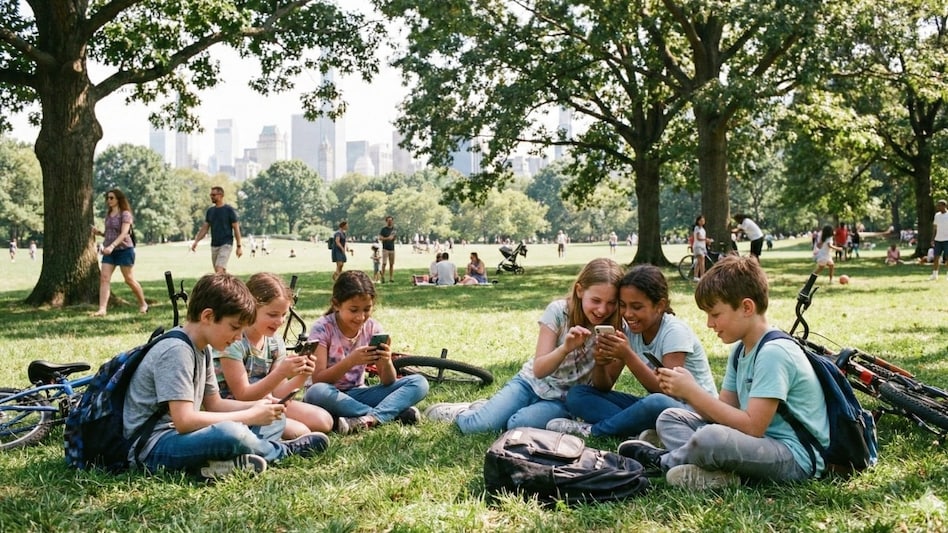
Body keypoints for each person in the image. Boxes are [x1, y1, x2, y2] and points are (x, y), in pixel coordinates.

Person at [616, 256, 829, 490]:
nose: (709, 323)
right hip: (756, 445)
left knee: (713, 438)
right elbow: (721, 410)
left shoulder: (774, 353)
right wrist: (685, 393)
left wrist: (693, 392)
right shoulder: (741, 349)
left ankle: (662, 460)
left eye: (715, 314)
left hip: (795, 457)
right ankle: (719, 473)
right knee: (670, 417)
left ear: (747, 307)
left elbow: (752, 427)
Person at [124, 273, 330, 480]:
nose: (239, 337)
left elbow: (214, 404)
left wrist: (260, 407)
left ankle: (222, 465)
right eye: (234, 327)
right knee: (230, 434)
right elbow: (184, 421)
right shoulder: (177, 351)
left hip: (180, 437)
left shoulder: (202, 348)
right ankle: (281, 451)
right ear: (207, 316)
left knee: (273, 418)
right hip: (152, 446)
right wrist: (249, 415)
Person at [424, 258, 625, 434]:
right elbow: (539, 370)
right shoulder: (559, 312)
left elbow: (604, 388)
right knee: (479, 427)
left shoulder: (619, 329)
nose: (602, 310)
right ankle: (464, 412)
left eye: (611, 303)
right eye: (596, 300)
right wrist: (565, 348)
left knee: (518, 425)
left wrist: (600, 361)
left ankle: (492, 408)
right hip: (529, 383)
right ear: (580, 291)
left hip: (563, 400)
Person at [546, 265, 717, 440]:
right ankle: (637, 430)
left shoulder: (674, 332)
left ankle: (594, 431)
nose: (628, 314)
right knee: (578, 394)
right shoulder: (631, 331)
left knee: (655, 402)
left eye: (636, 307)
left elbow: (670, 392)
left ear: (660, 305)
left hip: (695, 412)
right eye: (622, 305)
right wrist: (601, 362)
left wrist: (627, 355)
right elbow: (603, 386)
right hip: (661, 408)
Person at [303, 270, 429, 434]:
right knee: (316, 392)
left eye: (367, 309)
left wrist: (386, 361)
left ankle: (370, 419)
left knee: (419, 382)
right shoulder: (322, 329)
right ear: (336, 304)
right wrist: (350, 361)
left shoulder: (372, 328)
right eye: (354, 310)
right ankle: (391, 414)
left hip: (358, 393)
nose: (361, 317)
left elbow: (388, 381)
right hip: (329, 396)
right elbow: (318, 379)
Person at [213, 273, 334, 439]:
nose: (280, 321)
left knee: (324, 421)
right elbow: (243, 394)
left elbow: (279, 392)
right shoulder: (234, 341)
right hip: (238, 406)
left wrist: (302, 374)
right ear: (251, 308)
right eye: (272, 314)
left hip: (268, 402)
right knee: (300, 431)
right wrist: (281, 372)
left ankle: (272, 430)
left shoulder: (275, 342)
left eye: (284, 314)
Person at [90, 188, 148, 316]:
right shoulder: (108, 214)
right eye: (107, 198)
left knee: (129, 279)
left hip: (124, 250)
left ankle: (143, 304)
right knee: (104, 278)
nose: (108, 200)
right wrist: (100, 233)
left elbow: (123, 233)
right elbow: (111, 234)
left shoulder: (125, 214)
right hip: (109, 251)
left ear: (118, 199)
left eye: (111, 198)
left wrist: (112, 246)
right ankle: (102, 309)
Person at [190, 186, 243, 273]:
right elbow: (205, 228)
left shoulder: (229, 210)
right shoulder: (210, 211)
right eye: (211, 195)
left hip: (226, 243)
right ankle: (229, 286)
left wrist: (239, 246)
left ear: (221, 195)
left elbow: (236, 228)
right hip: (214, 244)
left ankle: (224, 286)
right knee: (219, 272)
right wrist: (196, 241)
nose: (211, 196)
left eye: (213, 195)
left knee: (219, 268)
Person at [929, 199, 948, 280]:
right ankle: (935, 274)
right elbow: (935, 228)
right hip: (938, 239)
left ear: (944, 206)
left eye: (939, 205)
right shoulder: (937, 215)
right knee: (936, 257)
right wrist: (932, 238)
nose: (938, 207)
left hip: (947, 239)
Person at [691, 215, 713, 281]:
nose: (702, 222)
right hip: (698, 246)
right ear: (698, 221)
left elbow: (702, 238)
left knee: (698, 262)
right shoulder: (697, 228)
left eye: (703, 221)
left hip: (702, 246)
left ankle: (696, 276)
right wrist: (706, 239)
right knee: (701, 262)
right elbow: (698, 238)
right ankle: (702, 276)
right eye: (701, 221)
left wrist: (707, 242)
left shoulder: (703, 229)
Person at [379, 216, 397, 283]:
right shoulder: (383, 229)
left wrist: (393, 238)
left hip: (392, 249)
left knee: (391, 264)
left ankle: (391, 278)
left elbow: (394, 238)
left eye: (391, 220)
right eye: (388, 220)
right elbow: (380, 238)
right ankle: (382, 277)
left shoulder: (394, 230)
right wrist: (387, 238)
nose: (390, 222)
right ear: (386, 221)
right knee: (384, 263)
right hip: (385, 249)